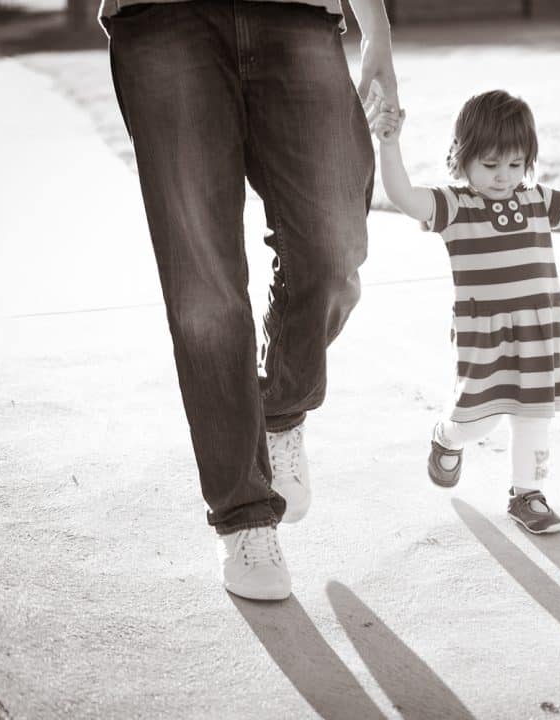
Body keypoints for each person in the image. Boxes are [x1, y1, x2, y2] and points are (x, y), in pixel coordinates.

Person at [101, 0, 398, 600]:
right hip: (164, 18)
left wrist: (378, 27)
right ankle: (244, 516)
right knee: (204, 286)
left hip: (297, 12)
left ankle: (281, 408)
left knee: (335, 248)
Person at [368, 90, 560, 534]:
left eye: (515, 164)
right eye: (491, 164)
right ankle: (447, 435)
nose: (504, 176)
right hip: (486, 332)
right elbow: (404, 196)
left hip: (539, 329)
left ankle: (527, 494)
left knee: (534, 414)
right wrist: (388, 144)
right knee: (482, 418)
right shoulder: (456, 205)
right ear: (463, 158)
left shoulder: (536, 198)